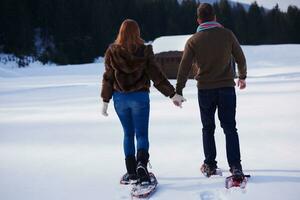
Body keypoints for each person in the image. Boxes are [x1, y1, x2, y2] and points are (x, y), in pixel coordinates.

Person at [100, 19, 185, 185]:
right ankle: (141, 165)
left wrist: (105, 100)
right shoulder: (145, 50)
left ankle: (131, 171)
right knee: (141, 134)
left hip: (120, 98)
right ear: (137, 32)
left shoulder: (112, 51)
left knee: (128, 134)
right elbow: (156, 75)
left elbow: (108, 78)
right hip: (140, 97)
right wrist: (172, 94)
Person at [173, 3, 247, 178]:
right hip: (227, 89)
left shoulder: (193, 40)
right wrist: (242, 77)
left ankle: (210, 165)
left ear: (198, 20)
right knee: (230, 127)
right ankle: (235, 166)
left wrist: (178, 91)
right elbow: (240, 58)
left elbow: (183, 68)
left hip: (205, 90)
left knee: (208, 128)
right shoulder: (227, 35)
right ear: (214, 17)